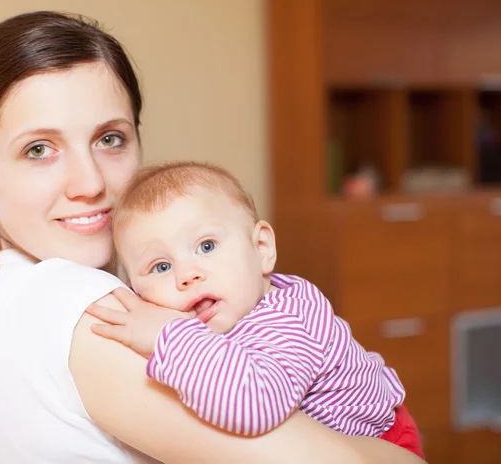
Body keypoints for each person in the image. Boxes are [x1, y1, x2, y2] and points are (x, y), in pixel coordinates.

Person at [0, 10, 426, 463]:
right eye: (39, 149)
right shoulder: (86, 308)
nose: (89, 183)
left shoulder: (17, 292)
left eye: (110, 139)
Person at [85, 161, 424, 459]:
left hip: (383, 441)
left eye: (206, 246)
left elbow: (255, 405)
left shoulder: (288, 319)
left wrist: (168, 337)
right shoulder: (227, 309)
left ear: (261, 248)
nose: (187, 275)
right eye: (160, 267)